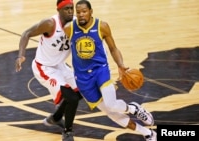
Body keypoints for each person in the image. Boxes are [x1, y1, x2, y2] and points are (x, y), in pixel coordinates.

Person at [63, 0, 157, 141]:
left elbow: (113, 48)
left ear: (91, 12)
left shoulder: (102, 26)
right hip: (82, 78)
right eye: (79, 12)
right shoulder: (69, 28)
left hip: (100, 70)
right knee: (112, 114)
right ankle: (148, 133)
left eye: (84, 11)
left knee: (111, 104)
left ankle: (134, 109)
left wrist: (120, 65)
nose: (81, 15)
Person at [15, 0, 82, 141]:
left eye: (72, 8)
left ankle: (56, 118)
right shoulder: (50, 24)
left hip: (61, 66)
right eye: (66, 9)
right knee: (72, 98)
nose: (70, 11)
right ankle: (68, 131)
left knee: (82, 91)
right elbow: (26, 33)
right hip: (44, 67)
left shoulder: (76, 22)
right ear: (59, 10)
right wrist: (21, 55)